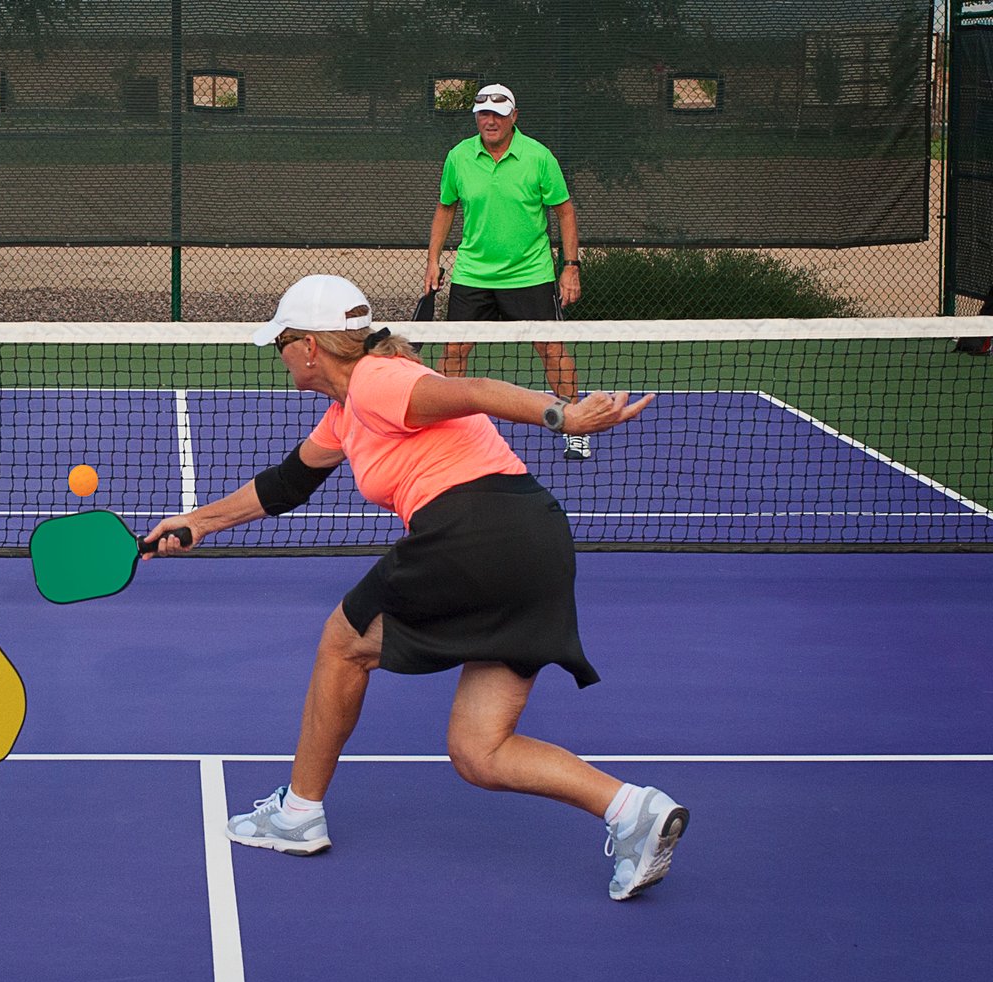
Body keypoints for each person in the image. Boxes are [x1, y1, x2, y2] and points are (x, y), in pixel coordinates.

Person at [142, 275, 686, 901]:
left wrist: (565, 414)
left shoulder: (380, 379)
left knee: (342, 642)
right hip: (532, 543)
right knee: (479, 751)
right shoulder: (347, 411)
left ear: (311, 347)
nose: (279, 353)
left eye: (282, 342)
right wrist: (196, 523)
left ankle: (297, 813)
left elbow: (474, 390)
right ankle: (633, 810)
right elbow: (286, 485)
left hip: (472, 531)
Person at [425, 83, 591, 460]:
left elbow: (565, 211)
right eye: (483, 113)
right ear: (476, 118)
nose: (491, 120)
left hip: (531, 274)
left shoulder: (538, 157)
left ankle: (575, 426)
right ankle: (443, 427)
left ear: (514, 116)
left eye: (499, 114)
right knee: (454, 349)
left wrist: (570, 267)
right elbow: (445, 207)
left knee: (551, 349)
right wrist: (433, 259)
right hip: (473, 274)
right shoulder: (459, 157)